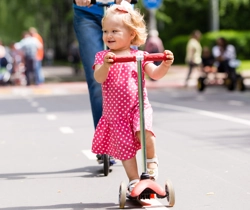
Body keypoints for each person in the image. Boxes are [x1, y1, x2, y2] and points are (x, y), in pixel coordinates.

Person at [91, 3, 174, 194]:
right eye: (105, 31)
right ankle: (133, 180)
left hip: (138, 107)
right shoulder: (102, 56)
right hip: (115, 114)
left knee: (145, 132)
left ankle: (152, 163)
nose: (108, 35)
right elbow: (99, 77)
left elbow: (155, 74)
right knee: (126, 150)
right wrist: (105, 65)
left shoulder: (140, 55)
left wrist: (165, 65)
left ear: (131, 34)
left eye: (114, 31)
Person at [73, 0, 137, 163]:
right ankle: (106, 146)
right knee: (97, 75)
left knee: (132, 71)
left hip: (121, 9)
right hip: (87, 10)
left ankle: (135, 133)